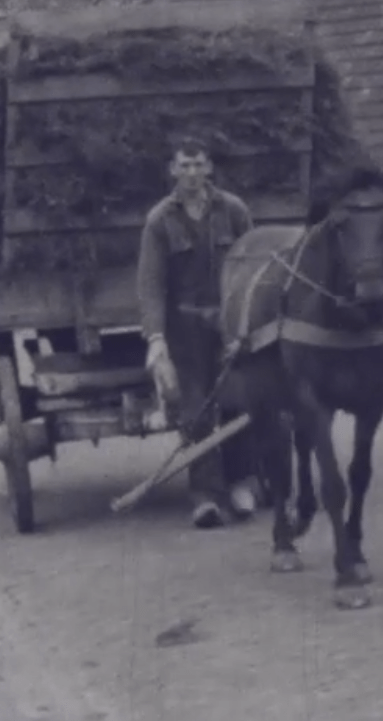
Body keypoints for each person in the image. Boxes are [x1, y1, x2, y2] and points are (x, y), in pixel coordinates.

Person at [137, 138, 265, 529]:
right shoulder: (160, 221)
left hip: (229, 322)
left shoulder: (233, 210)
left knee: (238, 401)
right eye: (184, 166)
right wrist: (156, 340)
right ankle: (206, 497)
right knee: (196, 410)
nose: (192, 174)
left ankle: (241, 484)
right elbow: (151, 284)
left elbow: (254, 264)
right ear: (172, 170)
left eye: (198, 165)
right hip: (185, 329)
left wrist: (250, 318)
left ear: (209, 168)